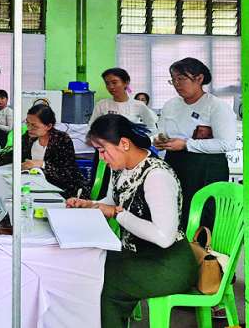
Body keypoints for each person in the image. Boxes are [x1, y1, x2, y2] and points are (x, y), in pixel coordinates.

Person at [67, 114, 197, 328]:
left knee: (103, 284)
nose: (101, 158)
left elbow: (164, 237)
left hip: (167, 264)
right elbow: (113, 201)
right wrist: (89, 204)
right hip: (134, 254)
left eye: (102, 150)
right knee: (87, 266)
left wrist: (116, 214)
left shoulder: (156, 176)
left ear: (124, 144)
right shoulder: (121, 169)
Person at [154, 57, 237, 229]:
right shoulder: (171, 105)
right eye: (173, 80)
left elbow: (227, 144)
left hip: (207, 167)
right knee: (176, 209)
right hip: (175, 162)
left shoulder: (216, 106)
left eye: (181, 79)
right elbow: (162, 131)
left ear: (199, 79)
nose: (177, 84)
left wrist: (186, 144)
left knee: (203, 213)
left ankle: (203, 245)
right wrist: (160, 140)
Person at [89, 68, 158, 198]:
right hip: (106, 154)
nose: (111, 87)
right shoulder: (102, 105)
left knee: (126, 189)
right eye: (107, 83)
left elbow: (152, 129)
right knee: (103, 187)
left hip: (129, 155)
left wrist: (141, 140)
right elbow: (91, 128)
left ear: (126, 82)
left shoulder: (139, 106)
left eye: (114, 82)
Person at [0, 103, 88, 198]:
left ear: (48, 126)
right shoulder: (28, 137)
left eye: (34, 126)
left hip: (65, 191)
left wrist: (42, 164)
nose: (29, 128)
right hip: (37, 185)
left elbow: (67, 171)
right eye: (27, 123)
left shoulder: (62, 139)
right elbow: (16, 153)